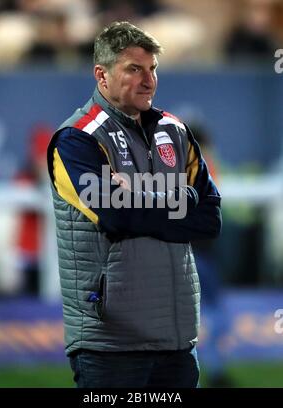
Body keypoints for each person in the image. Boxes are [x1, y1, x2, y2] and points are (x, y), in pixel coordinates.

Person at [47, 21, 221, 388]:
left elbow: (209, 218)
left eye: (153, 69)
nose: (149, 80)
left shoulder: (175, 130)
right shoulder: (75, 140)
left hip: (177, 344)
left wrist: (137, 196)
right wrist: (179, 201)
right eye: (134, 69)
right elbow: (115, 215)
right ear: (102, 75)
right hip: (110, 346)